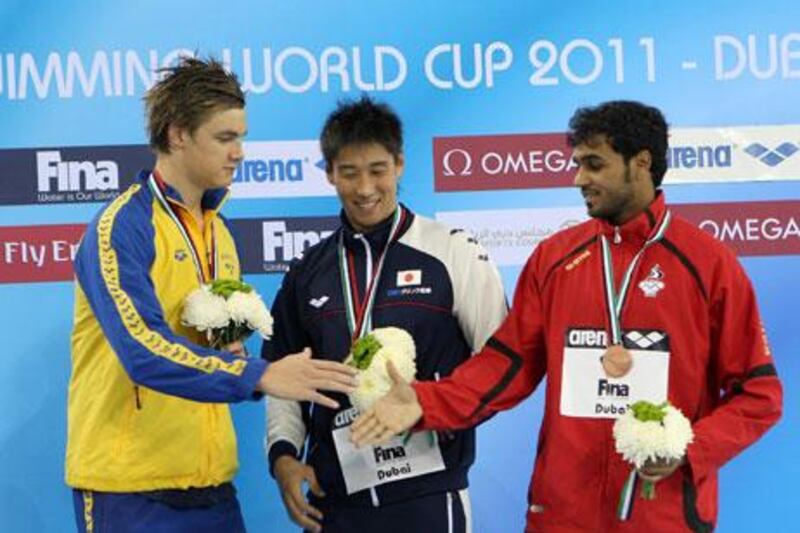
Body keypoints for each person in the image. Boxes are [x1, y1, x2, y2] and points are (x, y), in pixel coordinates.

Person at [352, 100, 783, 532]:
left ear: (642, 163)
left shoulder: (708, 265)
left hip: (665, 515)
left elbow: (759, 394)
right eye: (577, 164)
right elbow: (506, 366)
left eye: (594, 165)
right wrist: (427, 401)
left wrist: (690, 448)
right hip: (562, 514)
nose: (579, 179)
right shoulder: (555, 260)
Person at [65, 56, 356, 533]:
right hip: (130, 492)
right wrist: (259, 374)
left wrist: (235, 352)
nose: (239, 152)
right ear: (178, 134)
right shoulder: (123, 226)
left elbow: (212, 348)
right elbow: (142, 351)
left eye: (240, 137)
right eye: (225, 138)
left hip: (213, 488)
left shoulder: (218, 231)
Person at [263, 96, 507, 533]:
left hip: (428, 495)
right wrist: (283, 456)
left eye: (377, 170)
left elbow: (499, 363)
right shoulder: (307, 272)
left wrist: (429, 406)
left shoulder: (452, 250)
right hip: (334, 503)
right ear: (329, 173)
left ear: (399, 164)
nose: (364, 188)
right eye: (349, 173)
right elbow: (281, 376)